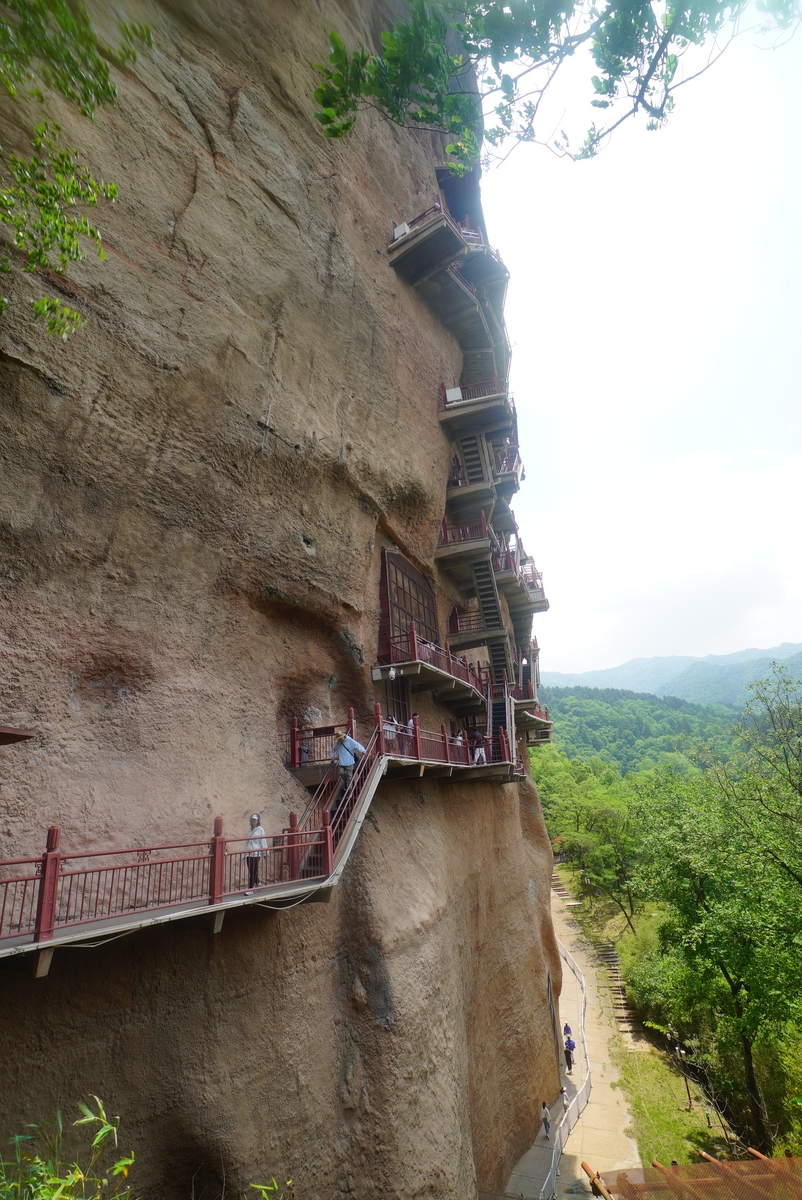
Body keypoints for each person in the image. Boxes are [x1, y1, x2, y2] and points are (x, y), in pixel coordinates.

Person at [244, 813, 266, 895]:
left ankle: (250, 888)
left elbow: (263, 841)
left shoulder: (260, 830)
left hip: (256, 853)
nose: (253, 821)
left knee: (253, 871)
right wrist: (244, 853)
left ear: (257, 821)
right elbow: (247, 842)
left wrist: (265, 852)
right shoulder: (250, 830)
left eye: (255, 820)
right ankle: (258, 882)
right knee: (251, 870)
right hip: (249, 853)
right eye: (252, 820)